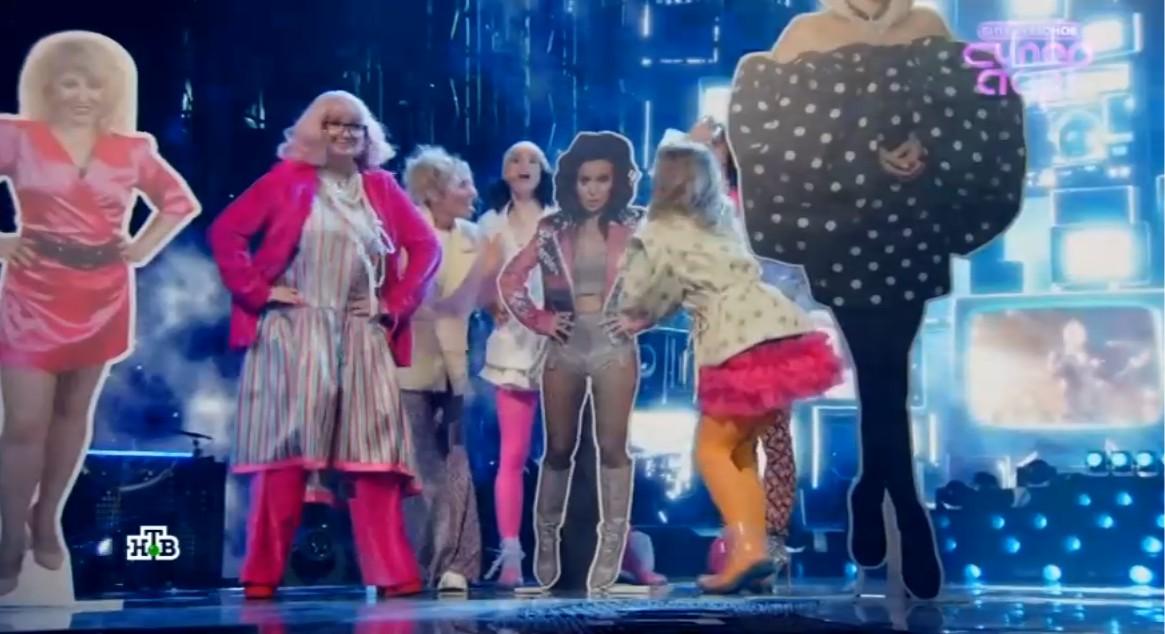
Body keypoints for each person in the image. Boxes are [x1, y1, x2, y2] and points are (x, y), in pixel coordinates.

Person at [727, 0, 1026, 599]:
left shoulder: (927, 26)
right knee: (881, 372)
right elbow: (771, 132)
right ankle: (905, 511)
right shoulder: (806, 34)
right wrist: (864, 154)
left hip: (913, 225)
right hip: (844, 230)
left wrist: (925, 148)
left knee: (887, 376)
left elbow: (979, 113)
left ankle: (875, 491)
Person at [207, 90, 440, 600]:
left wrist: (393, 303)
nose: (344, 134)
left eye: (354, 126)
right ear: (315, 129)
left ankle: (394, 572)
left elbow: (426, 248)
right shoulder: (287, 181)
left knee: (374, 456)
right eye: (333, 124)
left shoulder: (379, 187)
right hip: (295, 330)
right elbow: (227, 233)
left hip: (361, 331)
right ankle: (261, 574)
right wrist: (257, 291)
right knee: (287, 453)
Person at [0, 31, 200, 597]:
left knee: (71, 415)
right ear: (48, 87)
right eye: (70, 83)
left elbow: (179, 203)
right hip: (33, 291)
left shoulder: (132, 149)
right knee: (24, 423)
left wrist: (139, 249)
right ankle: (9, 534)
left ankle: (46, 518)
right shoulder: (16, 137)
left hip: (103, 293)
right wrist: (2, 241)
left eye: (94, 85)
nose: (83, 95)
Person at [611, 140, 842, 594]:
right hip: (775, 324)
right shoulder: (720, 220)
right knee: (740, 451)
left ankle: (749, 550)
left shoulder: (659, 231)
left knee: (712, 451)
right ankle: (753, 556)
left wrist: (635, 314)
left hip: (736, 335)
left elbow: (644, 290)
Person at [663, 117, 812, 581]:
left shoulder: (763, 205)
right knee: (736, 445)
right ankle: (749, 546)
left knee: (759, 440)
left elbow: (794, 265)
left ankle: (768, 542)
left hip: (761, 330)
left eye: (720, 144)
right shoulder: (709, 202)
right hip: (730, 332)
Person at [498, 131, 642, 592]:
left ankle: (611, 544)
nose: (593, 189)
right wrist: (540, 319)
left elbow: (670, 280)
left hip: (614, 344)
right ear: (572, 182)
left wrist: (641, 317)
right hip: (565, 344)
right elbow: (510, 279)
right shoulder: (551, 228)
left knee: (613, 446)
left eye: (602, 179)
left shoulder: (638, 226)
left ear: (617, 181)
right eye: (585, 180)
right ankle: (546, 538)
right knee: (558, 447)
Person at [398, 146, 501, 592]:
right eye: (462, 184)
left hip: (459, 360)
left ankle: (458, 562)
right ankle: (417, 562)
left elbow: (481, 299)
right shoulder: (404, 233)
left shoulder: (475, 236)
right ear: (433, 191)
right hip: (412, 357)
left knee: (458, 459)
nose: (473, 192)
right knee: (419, 464)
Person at [476, 141, 554, 588]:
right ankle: (511, 555)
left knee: (573, 451)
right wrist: (491, 304)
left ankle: (591, 548)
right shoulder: (491, 223)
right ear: (504, 171)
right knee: (513, 453)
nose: (523, 165)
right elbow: (481, 280)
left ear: (544, 171)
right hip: (513, 345)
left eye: (531, 160)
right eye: (514, 159)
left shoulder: (561, 216)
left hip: (561, 339)